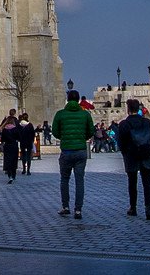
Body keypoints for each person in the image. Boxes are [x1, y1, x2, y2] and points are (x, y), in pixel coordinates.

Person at [53, 86, 95, 219]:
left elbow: (55, 132)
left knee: (64, 179)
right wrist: (82, 138)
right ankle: (78, 209)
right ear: (77, 100)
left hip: (66, 151)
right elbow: (91, 131)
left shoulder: (60, 114)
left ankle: (65, 207)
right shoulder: (85, 114)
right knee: (79, 180)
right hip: (81, 151)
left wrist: (64, 137)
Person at [115, 98, 150, 219]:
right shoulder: (147, 122)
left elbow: (121, 142)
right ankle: (148, 208)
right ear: (138, 108)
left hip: (131, 156)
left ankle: (133, 207)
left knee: (132, 183)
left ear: (128, 109)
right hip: (146, 155)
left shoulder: (124, 124)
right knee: (147, 183)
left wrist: (125, 153)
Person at [0, 109, 21, 182]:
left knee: (8, 160)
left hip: (7, 146)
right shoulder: (15, 129)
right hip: (14, 145)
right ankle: (14, 174)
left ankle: (10, 175)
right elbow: (19, 137)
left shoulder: (4, 130)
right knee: (14, 160)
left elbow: (2, 139)